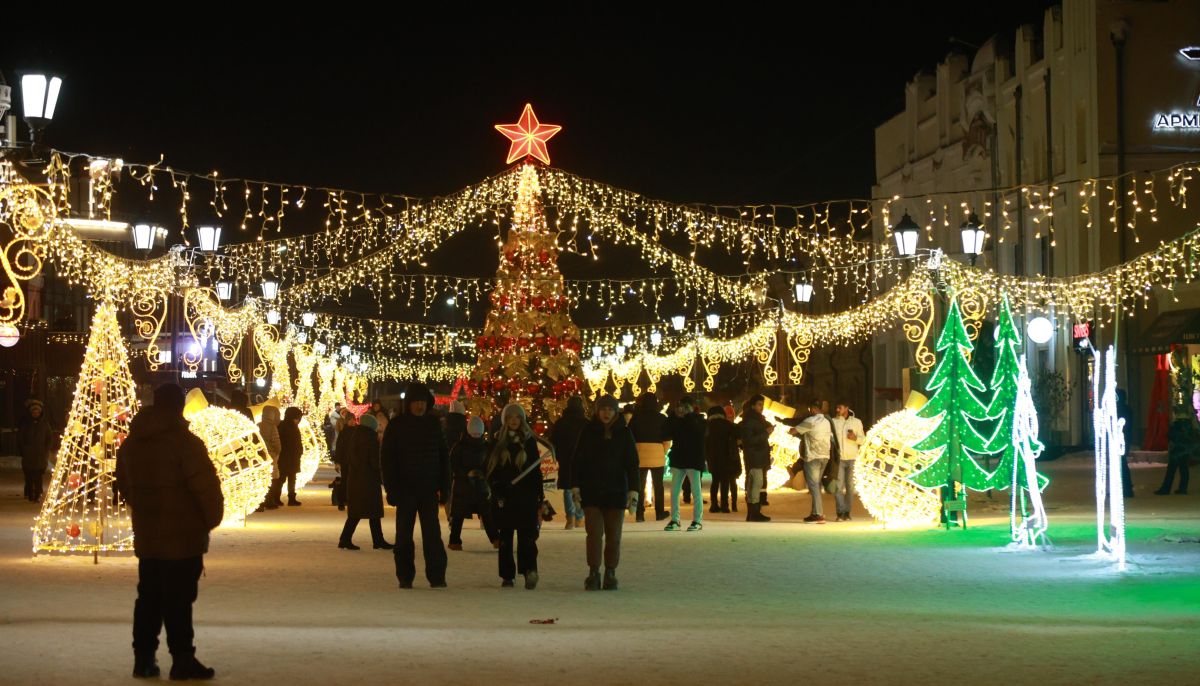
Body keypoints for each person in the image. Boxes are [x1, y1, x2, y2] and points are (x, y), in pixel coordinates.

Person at [115, 384, 223, 680]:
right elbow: (206, 489)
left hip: (149, 536)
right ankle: (183, 659)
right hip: (183, 537)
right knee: (178, 600)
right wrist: (210, 519)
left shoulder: (132, 444)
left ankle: (144, 658)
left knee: (148, 597)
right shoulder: (185, 443)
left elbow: (124, 485)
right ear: (179, 407)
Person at [381, 382, 450, 589]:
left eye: (422, 402)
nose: (419, 406)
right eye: (415, 402)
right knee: (403, 537)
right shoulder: (397, 425)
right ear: (408, 404)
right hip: (405, 491)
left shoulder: (433, 425)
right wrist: (392, 489)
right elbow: (387, 460)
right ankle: (405, 576)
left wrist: (445, 487)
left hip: (428, 490)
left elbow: (443, 458)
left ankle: (437, 576)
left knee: (432, 537)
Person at [570, 394, 639, 591]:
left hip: (616, 492)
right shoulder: (588, 431)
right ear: (597, 411)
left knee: (614, 535)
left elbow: (632, 464)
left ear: (615, 411)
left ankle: (610, 572)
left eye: (610, 409)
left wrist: (634, 490)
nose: (606, 413)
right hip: (592, 492)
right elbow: (577, 461)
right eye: (603, 409)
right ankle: (593, 571)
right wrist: (576, 486)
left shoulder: (624, 433)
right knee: (594, 534)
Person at [486, 403, 544, 589]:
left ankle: (529, 571)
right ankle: (507, 575)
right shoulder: (497, 443)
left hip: (525, 497)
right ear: (505, 420)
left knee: (527, 537)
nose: (514, 421)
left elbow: (536, 472)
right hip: (505, 497)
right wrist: (497, 487)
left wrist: (538, 495)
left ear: (522, 420)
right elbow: (491, 469)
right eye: (510, 417)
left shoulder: (529, 442)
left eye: (517, 417)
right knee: (506, 538)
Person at [336, 413, 393, 550]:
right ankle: (375, 540)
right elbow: (374, 461)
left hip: (357, 478)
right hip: (368, 479)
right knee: (371, 511)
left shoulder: (356, 435)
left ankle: (349, 539)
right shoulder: (370, 438)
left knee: (360, 511)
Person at [448, 416, 497, 550]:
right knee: (458, 515)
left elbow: (490, 465)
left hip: (480, 485)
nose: (476, 436)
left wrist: (483, 475)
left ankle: (495, 538)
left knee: (486, 513)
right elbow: (452, 465)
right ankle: (454, 540)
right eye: (474, 433)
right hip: (463, 486)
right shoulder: (459, 447)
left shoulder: (486, 447)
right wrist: (464, 474)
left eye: (478, 433)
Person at [665, 395, 707, 532]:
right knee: (674, 491)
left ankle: (697, 520)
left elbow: (698, 433)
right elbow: (666, 432)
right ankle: (675, 519)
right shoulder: (676, 420)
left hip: (693, 460)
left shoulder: (699, 420)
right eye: (681, 407)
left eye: (685, 407)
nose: (682, 410)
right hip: (678, 459)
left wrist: (688, 416)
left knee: (696, 491)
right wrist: (673, 415)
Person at [628, 392, 671, 522]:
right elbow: (667, 439)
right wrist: (662, 451)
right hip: (657, 454)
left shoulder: (635, 418)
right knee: (658, 485)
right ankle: (659, 512)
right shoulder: (662, 418)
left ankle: (639, 513)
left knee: (639, 485)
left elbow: (630, 438)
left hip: (640, 454)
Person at [791, 400, 834, 523]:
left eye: (811, 409)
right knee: (816, 485)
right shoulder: (826, 422)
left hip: (813, 457)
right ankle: (815, 512)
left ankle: (818, 514)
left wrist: (792, 430)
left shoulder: (810, 421)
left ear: (814, 409)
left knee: (814, 486)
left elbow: (794, 431)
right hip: (825, 456)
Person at [550, 396, 588, 529]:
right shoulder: (585, 422)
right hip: (583, 460)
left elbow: (552, 440)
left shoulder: (561, 423)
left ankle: (570, 518)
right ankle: (579, 517)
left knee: (567, 489)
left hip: (565, 459)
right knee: (581, 488)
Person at [830, 400, 865, 521]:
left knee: (850, 487)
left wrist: (855, 438)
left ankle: (847, 512)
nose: (837, 410)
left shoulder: (856, 422)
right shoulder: (833, 422)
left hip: (852, 458)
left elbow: (863, 439)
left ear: (846, 408)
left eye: (840, 407)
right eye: (837, 408)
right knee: (838, 487)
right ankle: (840, 512)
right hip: (839, 459)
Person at [739, 396, 772, 522]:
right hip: (754, 457)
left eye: (762, 405)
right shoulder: (750, 420)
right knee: (755, 484)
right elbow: (749, 440)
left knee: (755, 483)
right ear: (752, 405)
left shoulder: (757, 419)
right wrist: (765, 433)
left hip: (758, 456)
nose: (761, 407)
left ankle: (753, 513)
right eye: (759, 404)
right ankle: (754, 513)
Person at [18, 399, 55, 503]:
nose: (35, 414)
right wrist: (24, 449)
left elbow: (49, 438)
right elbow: (21, 438)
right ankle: (30, 493)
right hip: (28, 455)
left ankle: (38, 494)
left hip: (40, 455)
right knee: (29, 475)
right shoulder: (26, 424)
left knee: (38, 476)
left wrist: (46, 449)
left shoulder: (44, 424)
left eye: (37, 412)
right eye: (34, 412)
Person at [705, 405, 740, 513]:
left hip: (713, 458)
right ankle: (725, 505)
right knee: (725, 482)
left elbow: (704, 442)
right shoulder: (728, 425)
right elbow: (737, 436)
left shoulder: (707, 426)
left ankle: (714, 505)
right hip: (726, 457)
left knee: (715, 481)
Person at [270, 407, 304, 507]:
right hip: (288, 456)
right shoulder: (289, 426)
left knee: (285, 478)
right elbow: (293, 442)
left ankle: (281, 497)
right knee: (286, 478)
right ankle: (285, 498)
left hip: (287, 457)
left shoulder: (283, 425)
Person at [257, 405, 283, 510]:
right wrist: (277, 452)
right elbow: (276, 442)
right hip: (271, 455)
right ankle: (269, 500)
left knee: (261, 478)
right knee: (271, 478)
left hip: (260, 455)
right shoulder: (272, 427)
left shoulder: (258, 425)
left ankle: (260, 502)